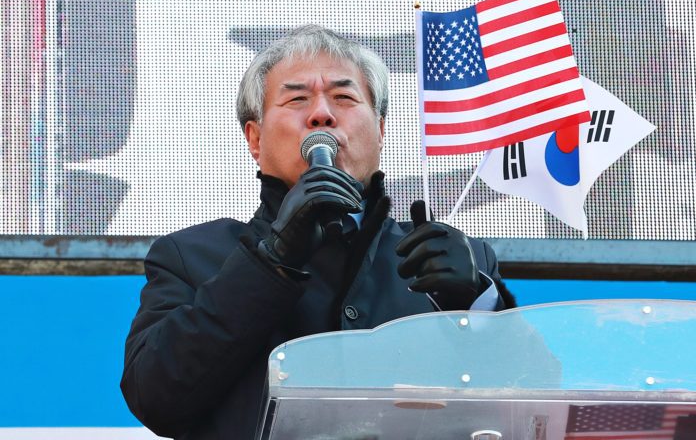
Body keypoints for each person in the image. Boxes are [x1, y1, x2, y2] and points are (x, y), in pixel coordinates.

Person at [120, 24, 516, 440]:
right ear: (255, 138)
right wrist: (272, 260)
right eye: (297, 99)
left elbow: (531, 401)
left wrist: (477, 306)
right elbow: (156, 397)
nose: (322, 114)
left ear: (381, 130)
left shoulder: (450, 259)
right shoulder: (192, 256)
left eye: (344, 97)